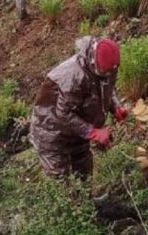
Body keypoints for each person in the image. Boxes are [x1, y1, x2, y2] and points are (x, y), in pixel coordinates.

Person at [30, 37, 128, 179]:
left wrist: (116, 107)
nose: (109, 75)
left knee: (84, 170)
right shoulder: (74, 77)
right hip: (51, 132)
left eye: (111, 72)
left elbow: (107, 88)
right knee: (61, 180)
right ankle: (72, 201)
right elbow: (63, 114)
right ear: (94, 63)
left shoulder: (108, 68)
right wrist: (92, 132)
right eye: (105, 72)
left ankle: (88, 200)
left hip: (77, 130)